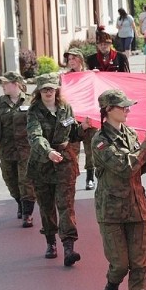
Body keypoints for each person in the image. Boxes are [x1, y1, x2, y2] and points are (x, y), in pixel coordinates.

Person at [93, 89, 146, 290]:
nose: (128, 109)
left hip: (136, 206)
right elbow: (124, 167)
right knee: (120, 264)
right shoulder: (100, 140)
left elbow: (141, 168)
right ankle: (111, 286)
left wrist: (145, 152)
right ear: (109, 110)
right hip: (111, 210)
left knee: (139, 263)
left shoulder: (131, 133)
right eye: (123, 106)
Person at [26, 73, 87, 265]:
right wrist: (48, 152)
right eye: (44, 89)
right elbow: (35, 137)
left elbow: (72, 132)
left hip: (64, 163)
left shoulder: (65, 108)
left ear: (56, 90)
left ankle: (69, 247)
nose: (48, 92)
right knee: (46, 207)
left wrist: (82, 127)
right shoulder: (34, 111)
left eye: (51, 88)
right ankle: (51, 242)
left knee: (66, 206)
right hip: (42, 165)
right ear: (39, 91)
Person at [0, 71, 36, 228]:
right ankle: (19, 202)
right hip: (7, 150)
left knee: (26, 181)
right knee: (11, 181)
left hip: (27, 149)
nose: (3, 86)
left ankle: (27, 213)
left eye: (5, 83)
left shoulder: (31, 101)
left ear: (16, 84)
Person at [63, 47, 99, 190]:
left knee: (91, 150)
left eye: (74, 58)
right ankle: (72, 178)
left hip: (89, 118)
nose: (71, 61)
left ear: (80, 59)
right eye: (69, 59)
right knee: (73, 151)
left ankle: (90, 178)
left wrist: (95, 76)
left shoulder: (89, 75)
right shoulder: (66, 78)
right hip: (73, 120)